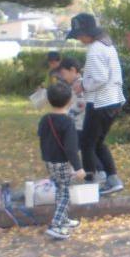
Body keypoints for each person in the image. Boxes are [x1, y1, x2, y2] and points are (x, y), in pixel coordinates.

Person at [66, 13, 125, 195]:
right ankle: (113, 180)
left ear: (87, 32)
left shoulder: (94, 50)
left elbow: (100, 78)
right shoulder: (108, 46)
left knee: (87, 143)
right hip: (114, 100)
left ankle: (91, 183)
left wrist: (82, 85)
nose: (78, 38)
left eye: (78, 34)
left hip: (100, 102)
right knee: (97, 142)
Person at [38, 81, 86, 240]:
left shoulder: (45, 119)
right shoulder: (67, 122)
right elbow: (71, 148)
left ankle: (64, 219)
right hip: (62, 162)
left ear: (49, 100)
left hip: (49, 161)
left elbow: (42, 138)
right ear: (69, 100)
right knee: (65, 193)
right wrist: (78, 168)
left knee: (60, 189)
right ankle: (56, 225)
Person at [57, 56, 106, 181]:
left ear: (73, 70)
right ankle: (94, 171)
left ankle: (99, 171)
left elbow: (81, 104)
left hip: (81, 123)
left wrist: (68, 115)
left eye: (64, 73)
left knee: (81, 148)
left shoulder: (80, 83)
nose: (63, 77)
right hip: (79, 123)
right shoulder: (76, 83)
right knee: (82, 148)